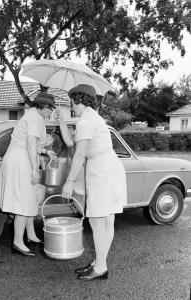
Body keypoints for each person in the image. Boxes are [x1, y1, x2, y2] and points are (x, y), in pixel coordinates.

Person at [56, 84, 127, 280]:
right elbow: (71, 142)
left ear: (79, 99)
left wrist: (69, 182)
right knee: (106, 220)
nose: (71, 106)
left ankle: (101, 267)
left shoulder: (86, 121)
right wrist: (62, 122)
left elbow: (79, 154)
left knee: (98, 220)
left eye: (72, 101)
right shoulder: (90, 118)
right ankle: (99, 262)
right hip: (107, 167)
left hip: (102, 170)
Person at [0, 91, 56, 257]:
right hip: (21, 161)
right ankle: (17, 242)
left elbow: (28, 143)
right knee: (23, 201)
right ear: (44, 107)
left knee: (28, 199)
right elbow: (30, 142)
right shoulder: (36, 119)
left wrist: (44, 151)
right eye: (50, 109)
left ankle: (31, 236)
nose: (50, 112)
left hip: (17, 157)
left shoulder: (30, 116)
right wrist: (35, 171)